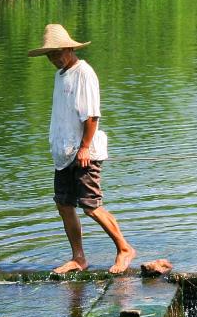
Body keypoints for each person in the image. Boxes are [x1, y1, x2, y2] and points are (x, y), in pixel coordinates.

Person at [28, 23, 135, 275]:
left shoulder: (83, 73)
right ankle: (79, 258)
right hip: (64, 154)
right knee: (64, 204)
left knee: (90, 205)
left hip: (83, 151)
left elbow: (91, 116)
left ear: (68, 48)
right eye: (49, 55)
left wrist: (85, 147)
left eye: (56, 53)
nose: (53, 59)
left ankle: (124, 248)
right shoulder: (61, 74)